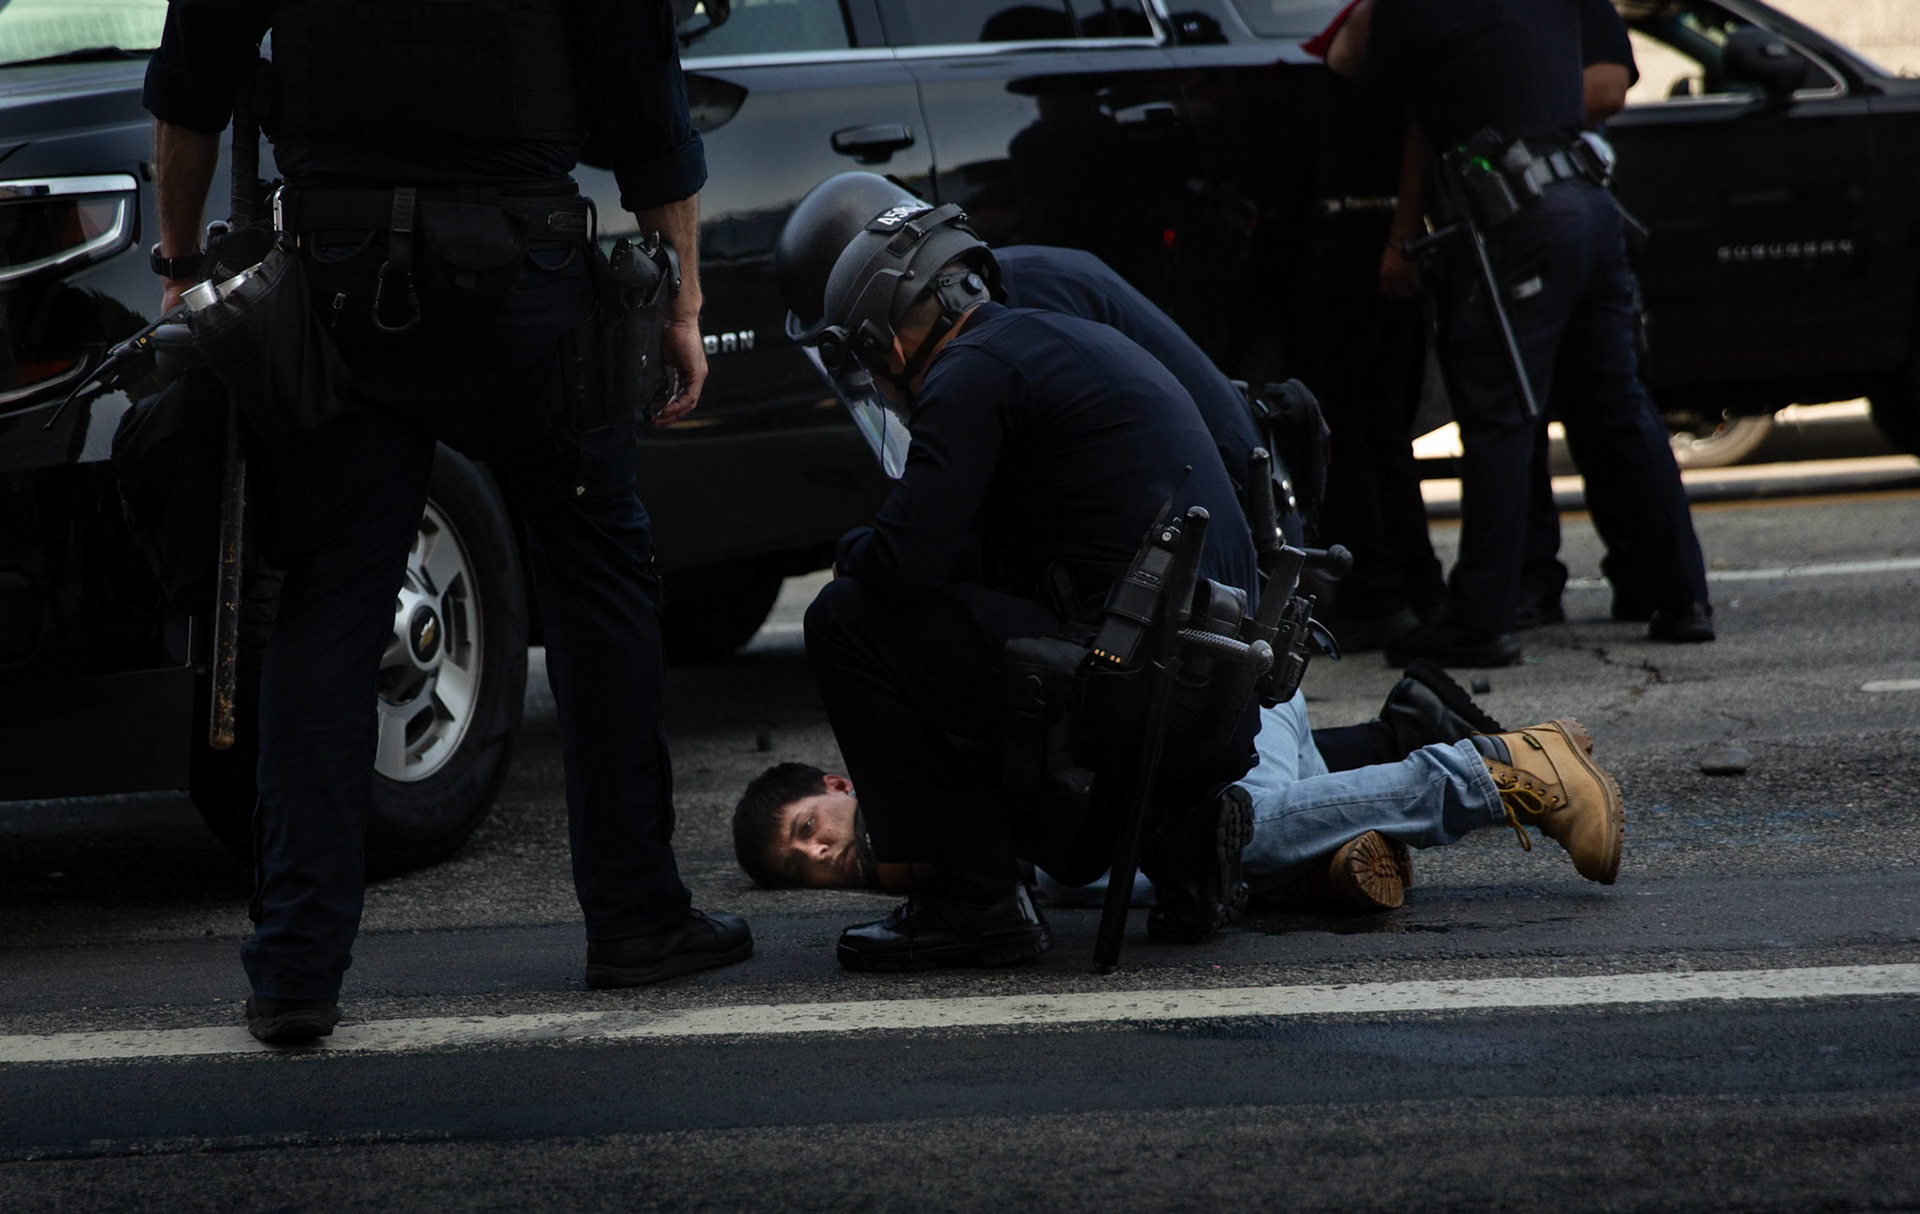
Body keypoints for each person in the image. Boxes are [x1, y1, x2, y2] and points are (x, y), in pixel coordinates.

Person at [144, 0, 751, 1045]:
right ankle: (637, 918)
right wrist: (684, 300)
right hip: (530, 278)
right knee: (603, 580)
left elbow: (189, 84)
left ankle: (296, 966)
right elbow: (651, 106)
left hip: (339, 285)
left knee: (331, 601)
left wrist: (182, 264)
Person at [774, 173, 1262, 972]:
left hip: (1140, 691)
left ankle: (973, 903)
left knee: (846, 621)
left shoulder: (968, 374)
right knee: (1058, 835)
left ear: (887, 347)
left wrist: (850, 551)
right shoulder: (1046, 339)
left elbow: (901, 562)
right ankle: (1177, 840)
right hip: (1216, 694)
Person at [1354, 0, 1714, 667]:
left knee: (1500, 415)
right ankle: (1683, 596)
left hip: (1515, 219)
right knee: (1621, 407)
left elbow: (1370, 93)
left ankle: (1482, 619)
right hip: (1588, 199)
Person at [731, 683, 1626, 912]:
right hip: (1241, 733)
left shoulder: (923, 779)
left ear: (837, 784)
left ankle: (1505, 768)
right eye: (798, 866)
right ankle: (1326, 874)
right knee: (1202, 861)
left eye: (810, 827)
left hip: (1224, 710)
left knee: (1235, 833)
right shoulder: (923, 872)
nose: (818, 853)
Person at [1297, 0, 1448, 653]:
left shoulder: (1377, 22)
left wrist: (1398, 234)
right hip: (1377, 233)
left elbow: (1411, 121)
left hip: (1361, 238)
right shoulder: (1395, 20)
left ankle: (1383, 591)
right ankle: (1410, 586)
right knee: (1379, 428)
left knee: (1355, 429)